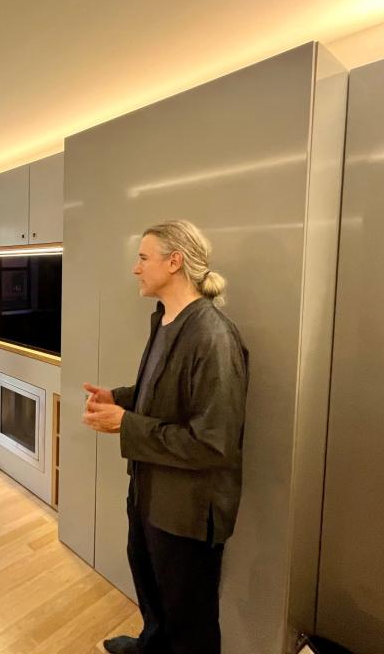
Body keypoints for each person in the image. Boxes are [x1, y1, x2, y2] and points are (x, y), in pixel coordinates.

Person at [83, 220, 248, 654]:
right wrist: (117, 398)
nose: (136, 269)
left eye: (143, 257)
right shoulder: (165, 321)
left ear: (174, 262)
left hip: (187, 512)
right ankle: (150, 646)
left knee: (190, 623)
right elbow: (160, 391)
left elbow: (212, 443)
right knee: (153, 594)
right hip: (149, 493)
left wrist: (125, 423)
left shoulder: (214, 338)